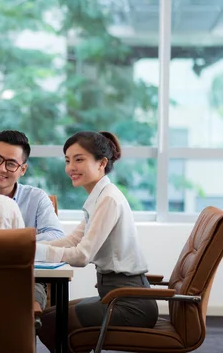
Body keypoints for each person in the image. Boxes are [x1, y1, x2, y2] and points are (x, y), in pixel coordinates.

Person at [35, 131, 158, 352]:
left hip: (129, 302)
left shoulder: (108, 199)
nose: (70, 167)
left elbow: (82, 256)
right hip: (115, 295)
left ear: (101, 163)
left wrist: (38, 252)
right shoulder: (99, 196)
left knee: (51, 323)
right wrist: (30, 246)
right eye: (67, 160)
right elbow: (74, 240)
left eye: (78, 159)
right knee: (47, 316)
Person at [0, 130, 65, 312]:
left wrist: (14, 242)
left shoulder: (36, 198)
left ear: (23, 169)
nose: (1, 168)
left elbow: (57, 235)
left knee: (29, 297)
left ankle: (25, 336)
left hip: (26, 277)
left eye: (11, 164)